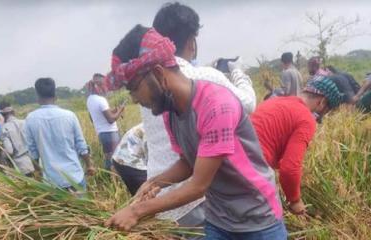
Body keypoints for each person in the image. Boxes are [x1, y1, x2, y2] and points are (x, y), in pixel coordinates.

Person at [105, 25, 287, 240]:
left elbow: (198, 185)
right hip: (219, 219)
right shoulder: (170, 111)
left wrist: (137, 211)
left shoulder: (216, 106)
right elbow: (188, 162)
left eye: (135, 88)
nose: (135, 99)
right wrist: (155, 183)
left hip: (257, 219)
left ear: (157, 73)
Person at [123, 3, 256, 233]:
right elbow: (248, 104)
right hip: (191, 201)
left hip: (158, 196)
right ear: (191, 41)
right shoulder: (203, 77)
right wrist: (238, 72)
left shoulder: (148, 82)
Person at [251, 76, 343, 215]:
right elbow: (290, 169)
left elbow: (269, 139)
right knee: (272, 228)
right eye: (326, 111)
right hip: (250, 172)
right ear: (322, 102)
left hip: (223, 165)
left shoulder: (274, 101)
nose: (321, 115)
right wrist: (295, 200)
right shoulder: (306, 119)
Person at [25, 78, 95, 191]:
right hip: (74, 178)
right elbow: (81, 145)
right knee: (81, 208)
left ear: (37, 97)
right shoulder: (69, 116)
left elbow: (33, 153)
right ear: (55, 96)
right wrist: (89, 165)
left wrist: (38, 175)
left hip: (51, 182)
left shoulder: (30, 119)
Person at [86, 73, 124, 170]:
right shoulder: (101, 100)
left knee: (108, 158)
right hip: (110, 133)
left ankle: (109, 178)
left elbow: (94, 116)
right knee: (115, 160)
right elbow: (111, 119)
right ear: (99, 85)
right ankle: (115, 182)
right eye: (105, 84)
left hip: (102, 134)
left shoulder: (90, 99)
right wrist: (120, 110)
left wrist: (113, 111)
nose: (106, 88)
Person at [0, 101, 35, 177]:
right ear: (12, 112)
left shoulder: (5, 128)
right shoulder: (24, 122)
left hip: (19, 168)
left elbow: (9, 151)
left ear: (1, 115)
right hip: (31, 164)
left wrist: (2, 156)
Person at [112, 123, 147, 195]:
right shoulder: (152, 130)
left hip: (119, 158)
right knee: (145, 193)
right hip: (129, 161)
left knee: (140, 193)